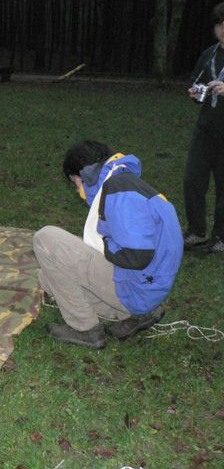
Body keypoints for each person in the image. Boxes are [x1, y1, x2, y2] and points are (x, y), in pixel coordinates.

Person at [33, 141, 183, 349]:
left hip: (136, 288)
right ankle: (136, 315)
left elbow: (137, 256)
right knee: (47, 277)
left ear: (81, 175)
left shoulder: (118, 190)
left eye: (74, 183)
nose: (77, 191)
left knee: (45, 239)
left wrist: (102, 243)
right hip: (148, 287)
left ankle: (85, 329)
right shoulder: (125, 185)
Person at [183, 1, 224, 253]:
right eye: (220, 24)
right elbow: (197, 82)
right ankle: (198, 232)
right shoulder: (209, 54)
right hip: (206, 129)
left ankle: (221, 237)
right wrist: (195, 92)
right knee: (192, 179)